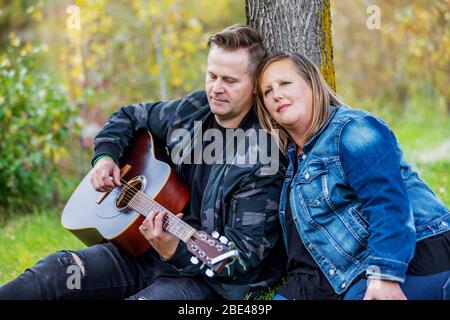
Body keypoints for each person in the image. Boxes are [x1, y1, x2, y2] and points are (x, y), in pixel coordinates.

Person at [0, 25, 286, 300]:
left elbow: (243, 256)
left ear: (255, 85)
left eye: (230, 80)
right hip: (139, 250)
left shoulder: (261, 158)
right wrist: (105, 158)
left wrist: (175, 250)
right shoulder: (192, 110)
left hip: (203, 280)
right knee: (55, 272)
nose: (216, 88)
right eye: (212, 76)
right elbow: (127, 116)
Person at [254, 51, 450, 300]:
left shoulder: (351, 129)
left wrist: (385, 275)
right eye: (267, 91)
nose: (276, 94)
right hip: (344, 275)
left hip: (416, 257)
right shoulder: (293, 162)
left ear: (312, 86)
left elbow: (386, 201)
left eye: (285, 83)